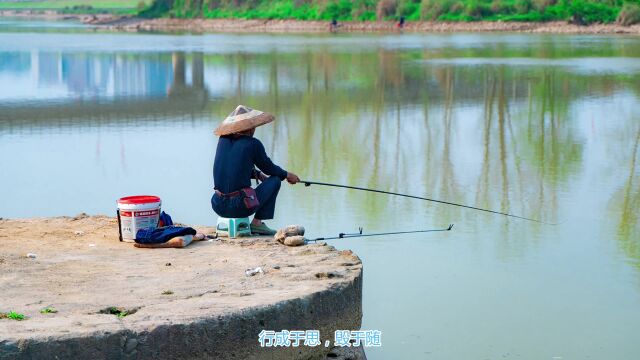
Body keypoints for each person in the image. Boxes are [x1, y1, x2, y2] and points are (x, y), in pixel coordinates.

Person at [211, 105, 300, 235]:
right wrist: (287, 175)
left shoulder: (222, 140)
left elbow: (233, 169)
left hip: (217, 204)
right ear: (251, 128)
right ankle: (257, 223)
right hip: (240, 206)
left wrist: (258, 174)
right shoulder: (253, 144)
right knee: (275, 180)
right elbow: (269, 168)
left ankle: (253, 223)